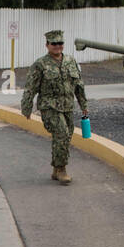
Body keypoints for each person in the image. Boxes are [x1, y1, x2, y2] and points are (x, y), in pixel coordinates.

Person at [20, 30, 87, 185]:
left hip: (67, 106)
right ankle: (62, 169)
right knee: (62, 133)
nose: (57, 46)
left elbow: (79, 84)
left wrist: (84, 104)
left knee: (65, 136)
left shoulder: (71, 61)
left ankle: (56, 169)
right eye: (54, 43)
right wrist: (27, 108)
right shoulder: (40, 64)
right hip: (49, 106)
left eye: (60, 43)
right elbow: (31, 88)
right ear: (47, 45)